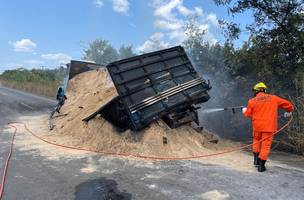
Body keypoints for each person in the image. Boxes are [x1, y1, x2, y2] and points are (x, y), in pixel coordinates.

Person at [242, 82, 294, 172]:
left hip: (257, 126)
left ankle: (256, 160)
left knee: (256, 141)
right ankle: (261, 166)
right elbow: (288, 105)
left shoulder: (251, 101)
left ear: (255, 91)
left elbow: (248, 115)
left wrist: (244, 111)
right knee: (265, 145)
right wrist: (289, 111)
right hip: (269, 127)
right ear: (264, 90)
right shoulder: (274, 98)